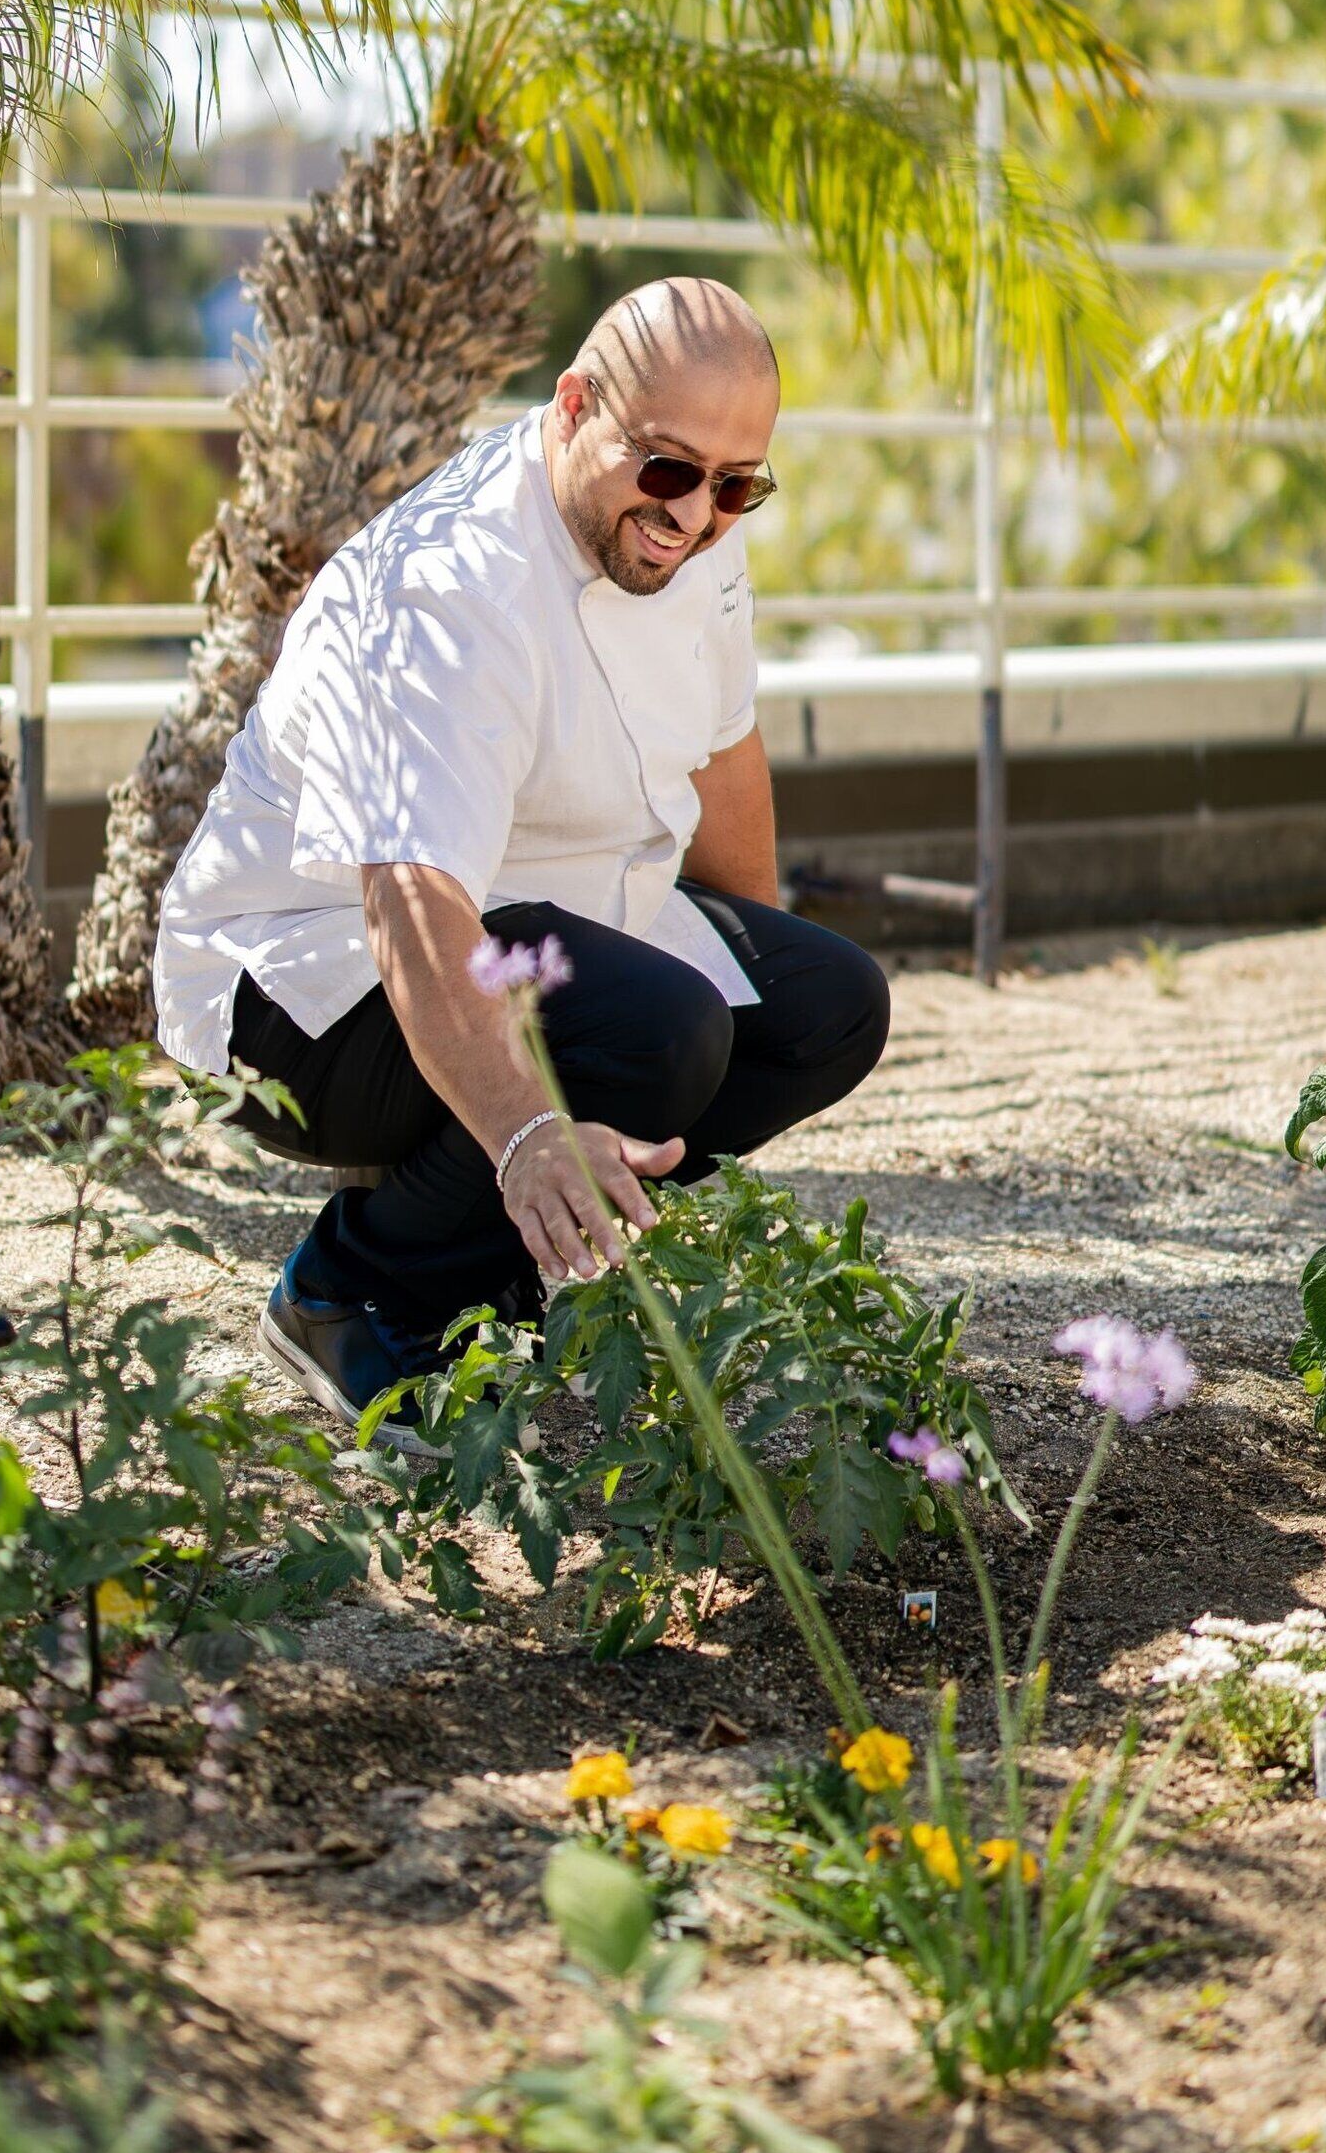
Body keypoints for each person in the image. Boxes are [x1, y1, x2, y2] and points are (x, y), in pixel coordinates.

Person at [152, 273, 892, 1416]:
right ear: (574, 404)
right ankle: (354, 1291)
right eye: (667, 468)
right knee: (662, 1034)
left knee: (825, 1006)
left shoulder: (692, 533)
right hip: (303, 989)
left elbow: (724, 755)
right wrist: (526, 1134)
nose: (695, 513)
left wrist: (755, 979)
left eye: (736, 484)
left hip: (542, 929)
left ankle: (506, 1263)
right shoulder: (450, 588)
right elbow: (408, 905)